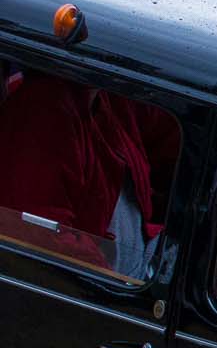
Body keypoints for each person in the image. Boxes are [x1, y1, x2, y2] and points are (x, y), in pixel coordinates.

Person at [0, 70, 179, 278]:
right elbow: (44, 240)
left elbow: (171, 134)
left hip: (147, 261)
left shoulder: (110, 97)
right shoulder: (44, 113)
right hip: (109, 288)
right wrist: (117, 291)